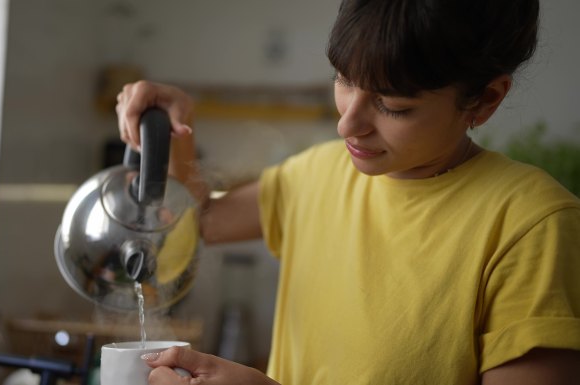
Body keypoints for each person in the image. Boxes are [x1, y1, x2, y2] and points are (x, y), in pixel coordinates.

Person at [116, 0, 580, 383]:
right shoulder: (318, 175)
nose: (347, 124)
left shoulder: (532, 225)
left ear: (485, 99)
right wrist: (172, 129)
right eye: (343, 80)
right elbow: (190, 223)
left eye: (392, 105)